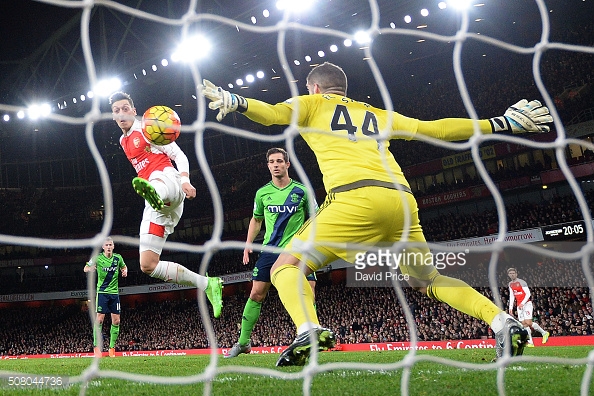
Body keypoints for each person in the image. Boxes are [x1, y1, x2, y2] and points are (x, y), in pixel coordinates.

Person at [201, 62, 553, 366]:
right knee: (426, 279)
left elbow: (274, 113)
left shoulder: (312, 103)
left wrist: (238, 102)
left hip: (354, 198)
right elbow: (437, 129)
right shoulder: (375, 113)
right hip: (400, 200)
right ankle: (502, 322)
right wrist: (501, 123)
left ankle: (308, 330)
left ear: (316, 87)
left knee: (285, 267)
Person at [108, 91, 223, 319]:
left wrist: (186, 180)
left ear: (133, 110)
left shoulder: (147, 128)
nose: (121, 114)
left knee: (156, 181)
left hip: (169, 181)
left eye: (124, 109)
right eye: (116, 111)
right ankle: (208, 283)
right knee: (148, 265)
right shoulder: (123, 141)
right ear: (113, 116)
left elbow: (179, 155)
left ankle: (154, 194)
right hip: (162, 208)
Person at [225, 147, 318, 358]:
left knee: (309, 292)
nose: (276, 165)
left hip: (297, 250)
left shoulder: (302, 191)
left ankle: (309, 340)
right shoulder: (262, 193)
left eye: (279, 161)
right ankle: (243, 343)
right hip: (270, 250)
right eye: (272, 162)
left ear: (287, 164)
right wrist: (248, 244)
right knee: (256, 293)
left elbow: (315, 218)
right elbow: (256, 219)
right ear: (268, 166)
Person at [84, 236, 127, 358]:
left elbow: (124, 267)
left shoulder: (118, 258)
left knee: (117, 321)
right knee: (99, 320)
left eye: (110, 245)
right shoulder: (97, 258)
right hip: (102, 293)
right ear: (103, 247)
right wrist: (90, 268)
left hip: (114, 293)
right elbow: (85, 267)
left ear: (113, 246)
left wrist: (125, 271)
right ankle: (97, 347)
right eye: (106, 245)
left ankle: (112, 348)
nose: (108, 247)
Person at [507, 268, 550, 346]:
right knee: (524, 324)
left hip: (527, 304)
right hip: (519, 306)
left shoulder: (522, 282)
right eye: (510, 273)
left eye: (513, 273)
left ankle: (544, 333)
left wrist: (522, 303)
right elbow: (512, 296)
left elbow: (528, 294)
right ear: (508, 275)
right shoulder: (510, 284)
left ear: (516, 274)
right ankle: (530, 342)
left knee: (528, 322)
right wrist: (510, 308)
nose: (512, 274)